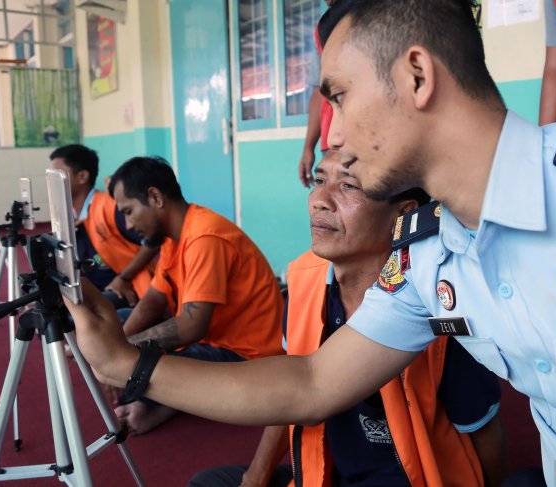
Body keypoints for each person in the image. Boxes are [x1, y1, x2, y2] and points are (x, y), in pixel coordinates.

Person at [65, 1, 556, 485]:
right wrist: (127, 365)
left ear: (417, 75)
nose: (331, 136)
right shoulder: (429, 258)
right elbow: (313, 382)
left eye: (338, 96)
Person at [189, 152, 509, 487]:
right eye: (320, 180)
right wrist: (255, 478)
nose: (320, 201)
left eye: (349, 186)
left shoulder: (439, 304)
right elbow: (291, 392)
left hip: (412, 479)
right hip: (324, 474)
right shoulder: (304, 281)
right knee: (209, 482)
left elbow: (482, 429)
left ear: (404, 213)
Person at [106, 156, 285, 435]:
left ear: (155, 197)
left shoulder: (204, 236)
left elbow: (191, 326)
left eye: (128, 211)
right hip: (208, 341)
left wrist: (122, 353)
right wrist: (119, 345)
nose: (128, 225)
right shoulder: (174, 236)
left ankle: (163, 403)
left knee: (138, 367)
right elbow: (153, 300)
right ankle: (165, 399)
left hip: (246, 358)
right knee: (119, 321)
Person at [49, 144, 158, 309]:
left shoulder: (110, 207)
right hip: (96, 285)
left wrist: (124, 278)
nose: (52, 181)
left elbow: (154, 241)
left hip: (131, 287)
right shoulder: (70, 214)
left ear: (82, 176)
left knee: (81, 309)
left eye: (58, 173)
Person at [298, 0, 336, 187]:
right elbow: (318, 91)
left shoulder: (378, 16)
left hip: (365, 142)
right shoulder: (322, 28)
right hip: (329, 143)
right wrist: (308, 147)